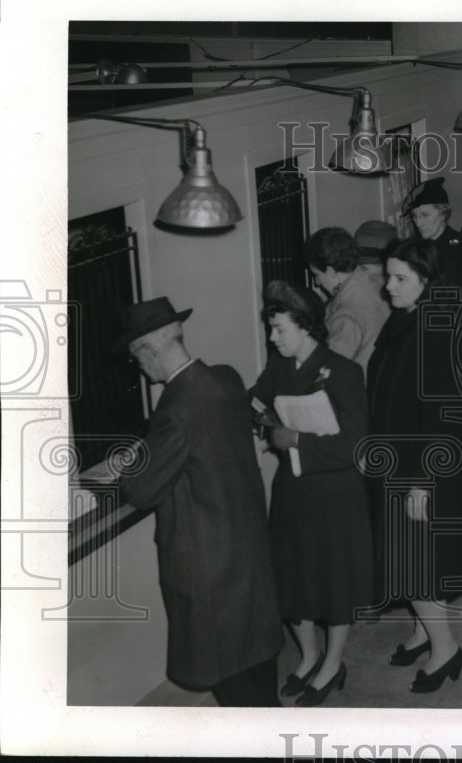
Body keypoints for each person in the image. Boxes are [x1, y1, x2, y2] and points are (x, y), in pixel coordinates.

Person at [111, 297, 283, 707]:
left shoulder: (176, 409)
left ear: (150, 351)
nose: (138, 365)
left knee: (235, 689)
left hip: (211, 571)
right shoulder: (225, 379)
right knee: (259, 678)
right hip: (248, 554)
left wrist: (130, 462)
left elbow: (140, 489)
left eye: (137, 356)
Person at [249, 280, 373, 707]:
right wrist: (263, 418)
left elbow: (357, 444)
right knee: (293, 576)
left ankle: (333, 662)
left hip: (335, 491)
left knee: (332, 580)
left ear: (306, 327)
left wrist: (297, 439)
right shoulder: (279, 366)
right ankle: (309, 655)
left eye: (279, 328)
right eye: (272, 329)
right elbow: (256, 399)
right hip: (293, 490)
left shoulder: (344, 372)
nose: (273, 337)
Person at [365, 237, 462, 693]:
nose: (388, 287)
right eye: (388, 276)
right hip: (397, 462)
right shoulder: (403, 319)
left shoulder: (436, 330)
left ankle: (446, 647)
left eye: (399, 279)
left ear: (427, 283)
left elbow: (442, 416)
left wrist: (420, 484)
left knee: (417, 565)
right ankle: (421, 630)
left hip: (423, 470)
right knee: (406, 560)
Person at [305, 225, 391, 377]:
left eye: (316, 274)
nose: (317, 282)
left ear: (331, 272)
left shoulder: (346, 318)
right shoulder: (373, 283)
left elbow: (327, 375)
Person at [401, 177, 462, 299]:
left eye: (425, 215)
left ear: (443, 214)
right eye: (415, 216)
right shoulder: (413, 249)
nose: (418, 223)